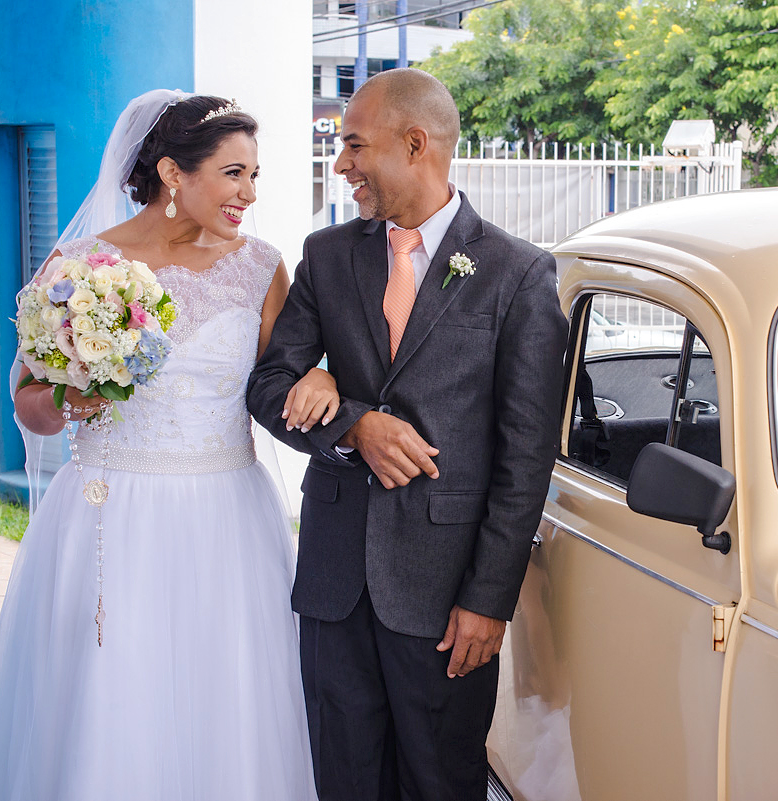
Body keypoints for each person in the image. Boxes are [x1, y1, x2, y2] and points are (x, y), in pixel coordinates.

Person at [0, 90, 328, 801]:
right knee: (113, 691)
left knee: (225, 689)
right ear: (171, 173)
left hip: (226, 515)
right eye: (233, 174)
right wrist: (65, 400)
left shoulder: (262, 267)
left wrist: (324, 378)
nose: (249, 193)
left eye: (255, 175)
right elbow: (28, 404)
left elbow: (286, 379)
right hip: (109, 512)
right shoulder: (77, 268)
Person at [247, 68, 568, 800]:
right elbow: (268, 387)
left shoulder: (517, 275)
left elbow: (525, 458)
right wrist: (355, 424)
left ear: (415, 143)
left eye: (354, 144)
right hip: (334, 589)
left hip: (447, 597)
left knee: (441, 782)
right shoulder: (327, 256)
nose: (342, 165)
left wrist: (489, 600)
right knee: (345, 782)